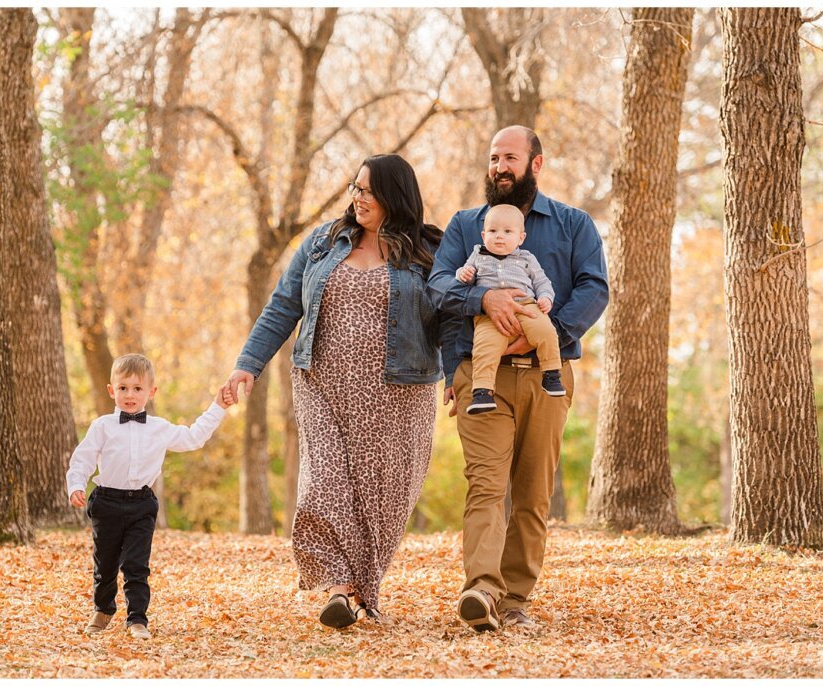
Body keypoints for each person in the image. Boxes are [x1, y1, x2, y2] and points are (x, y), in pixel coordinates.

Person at [223, 154, 455, 628]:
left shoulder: (430, 249)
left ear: (395, 195)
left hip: (400, 390)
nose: (358, 197)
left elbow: (452, 317)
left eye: (368, 190)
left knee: (384, 494)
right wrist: (248, 365)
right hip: (321, 381)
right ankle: (338, 587)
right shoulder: (324, 242)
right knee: (323, 482)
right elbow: (283, 305)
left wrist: (458, 373)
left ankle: (360, 589)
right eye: (355, 187)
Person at [428, 126, 608, 632]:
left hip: (546, 377)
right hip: (479, 375)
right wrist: (482, 302)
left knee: (531, 494)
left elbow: (595, 288)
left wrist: (544, 332)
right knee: (485, 486)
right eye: (492, 158)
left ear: (536, 164)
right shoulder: (467, 226)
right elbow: (439, 287)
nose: (499, 167)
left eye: (510, 157)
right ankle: (482, 592)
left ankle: (514, 601)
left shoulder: (573, 225)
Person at [66, 353, 233, 639]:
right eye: (123, 388)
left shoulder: (160, 428)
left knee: (136, 564)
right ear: (112, 390)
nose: (130, 395)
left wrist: (217, 406)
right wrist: (76, 485)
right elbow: (83, 458)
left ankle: (137, 619)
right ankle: (103, 609)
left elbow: (194, 437)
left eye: (137, 388)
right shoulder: (102, 426)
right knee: (104, 563)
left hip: (141, 504)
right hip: (106, 501)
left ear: (151, 391)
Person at [455, 203, 564, 415]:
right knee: (485, 347)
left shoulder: (526, 258)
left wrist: (545, 297)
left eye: (507, 232)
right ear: (483, 234)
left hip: (526, 306)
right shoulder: (477, 255)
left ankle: (551, 374)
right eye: (493, 231)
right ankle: (482, 391)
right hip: (489, 315)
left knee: (545, 331)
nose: (499, 237)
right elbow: (463, 275)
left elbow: (542, 281)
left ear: (520, 238)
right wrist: (463, 274)